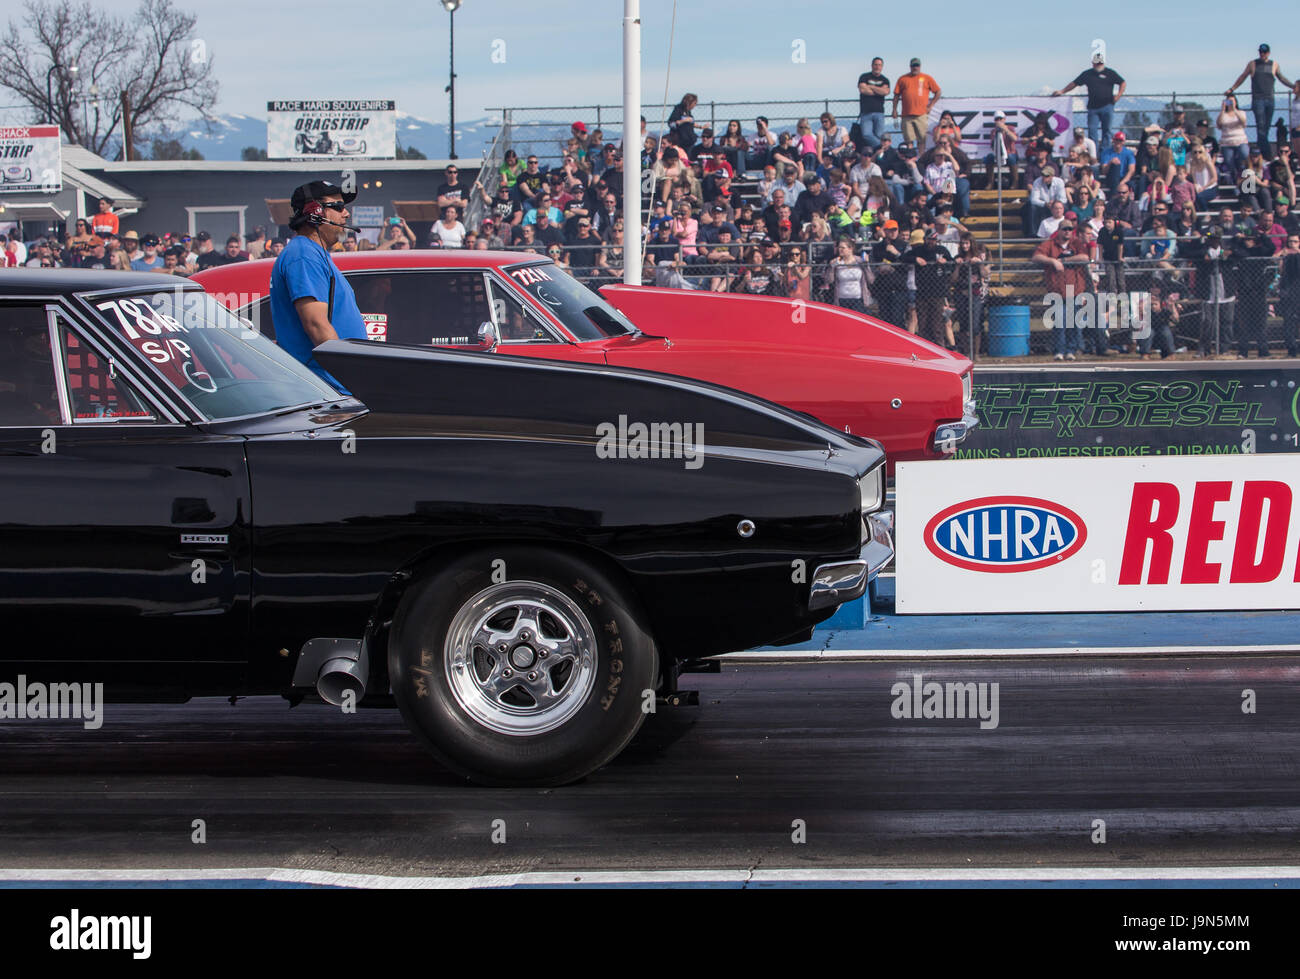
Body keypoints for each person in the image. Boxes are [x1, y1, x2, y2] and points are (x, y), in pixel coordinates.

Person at [269, 180, 366, 390]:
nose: (346, 214)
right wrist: (352, 378)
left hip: (332, 386)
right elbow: (316, 325)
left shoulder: (313, 253)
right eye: (338, 206)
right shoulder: (304, 255)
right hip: (328, 389)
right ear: (315, 212)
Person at [1035, 219, 1091, 360]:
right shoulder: (1050, 244)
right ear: (1059, 230)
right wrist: (1052, 261)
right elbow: (1036, 257)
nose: (1067, 232)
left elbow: (1085, 257)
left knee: (1073, 322)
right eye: (1064, 229)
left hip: (1075, 290)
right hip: (1057, 290)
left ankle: (1071, 350)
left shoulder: (1076, 243)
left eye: (1070, 229)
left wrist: (1065, 261)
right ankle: (1059, 350)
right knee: (1059, 322)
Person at [1227, 43, 1293, 160]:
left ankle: (1260, 153)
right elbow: (1243, 76)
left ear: (1268, 53)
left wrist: (1293, 87)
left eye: (1265, 52)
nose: (1262, 54)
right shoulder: (1253, 64)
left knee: (1266, 128)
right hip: (1258, 100)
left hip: (1270, 99)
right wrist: (1232, 89)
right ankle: (1266, 155)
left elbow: (1281, 78)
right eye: (1260, 52)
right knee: (1261, 127)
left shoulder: (1274, 65)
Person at [1053, 52, 1126, 146]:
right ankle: (1094, 152)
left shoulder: (1110, 73)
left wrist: (1118, 95)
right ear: (1093, 63)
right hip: (1093, 107)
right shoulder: (1087, 74)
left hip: (1108, 106)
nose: (1099, 65)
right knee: (1092, 131)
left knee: (1107, 131)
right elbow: (1075, 83)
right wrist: (1062, 91)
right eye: (1097, 63)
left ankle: (1105, 152)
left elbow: (1122, 82)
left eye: (1100, 63)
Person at [892, 57, 941, 151]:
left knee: (922, 139)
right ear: (910, 67)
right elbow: (896, 95)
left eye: (917, 66)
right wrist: (894, 109)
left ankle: (921, 158)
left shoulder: (927, 78)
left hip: (921, 114)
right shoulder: (902, 79)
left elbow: (938, 92)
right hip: (906, 115)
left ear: (920, 66)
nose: (915, 68)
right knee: (908, 140)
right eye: (913, 66)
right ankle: (910, 157)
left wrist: (930, 106)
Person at [856, 58, 890, 151]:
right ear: (872, 65)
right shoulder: (864, 77)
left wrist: (870, 86)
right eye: (875, 64)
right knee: (866, 135)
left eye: (879, 65)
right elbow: (863, 90)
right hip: (866, 112)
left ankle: (878, 154)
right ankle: (883, 148)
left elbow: (885, 91)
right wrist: (878, 90)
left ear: (882, 66)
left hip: (879, 112)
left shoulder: (885, 80)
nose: (877, 67)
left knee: (879, 135)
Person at [1140, 280, 1178, 359]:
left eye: (1157, 287)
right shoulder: (1144, 299)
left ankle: (1170, 354)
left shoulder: (1166, 300)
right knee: (1148, 332)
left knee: (1166, 332)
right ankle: (1145, 354)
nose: (1154, 289)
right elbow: (1139, 317)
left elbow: (1176, 319)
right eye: (1152, 287)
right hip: (1148, 324)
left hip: (1162, 324)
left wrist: (1172, 307)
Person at [983, 110, 1020, 189]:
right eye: (997, 119)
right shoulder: (993, 131)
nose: (999, 121)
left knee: (1011, 158)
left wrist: (1005, 130)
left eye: (1000, 119)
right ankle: (990, 182)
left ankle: (1015, 182)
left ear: (1004, 119)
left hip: (1010, 153)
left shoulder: (1010, 128)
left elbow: (1015, 139)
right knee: (989, 157)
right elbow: (992, 146)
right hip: (998, 153)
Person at [1279, 232, 1300, 357]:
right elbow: (1279, 269)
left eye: (1295, 242)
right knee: (1288, 321)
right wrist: (1282, 256)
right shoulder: (1285, 256)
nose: (1292, 244)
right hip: (1288, 291)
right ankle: (1291, 348)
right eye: (1290, 242)